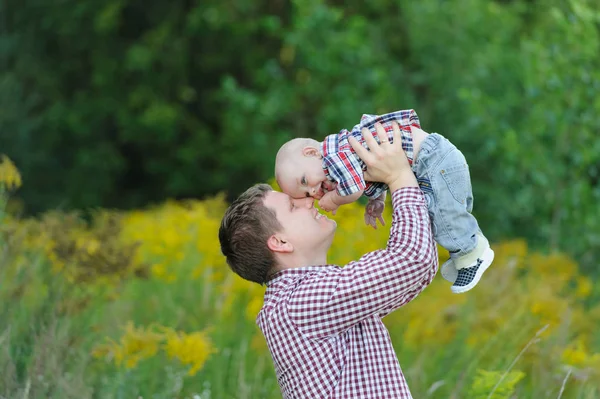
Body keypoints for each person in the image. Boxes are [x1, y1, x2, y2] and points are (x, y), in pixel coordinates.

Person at [219, 122, 437, 398]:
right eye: (292, 205)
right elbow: (411, 261)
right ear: (280, 243)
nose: (308, 199)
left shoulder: (306, 299)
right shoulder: (302, 302)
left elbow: (419, 269)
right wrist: (399, 177)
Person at [274, 109, 494, 294]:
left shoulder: (333, 156)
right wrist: (377, 200)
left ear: (312, 152)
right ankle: (464, 251)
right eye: (305, 194)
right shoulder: (340, 156)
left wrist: (334, 199)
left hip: (432, 159)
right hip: (429, 164)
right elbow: (372, 173)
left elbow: (354, 187)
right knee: (435, 214)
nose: (312, 190)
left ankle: (471, 254)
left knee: (445, 216)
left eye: (304, 181)